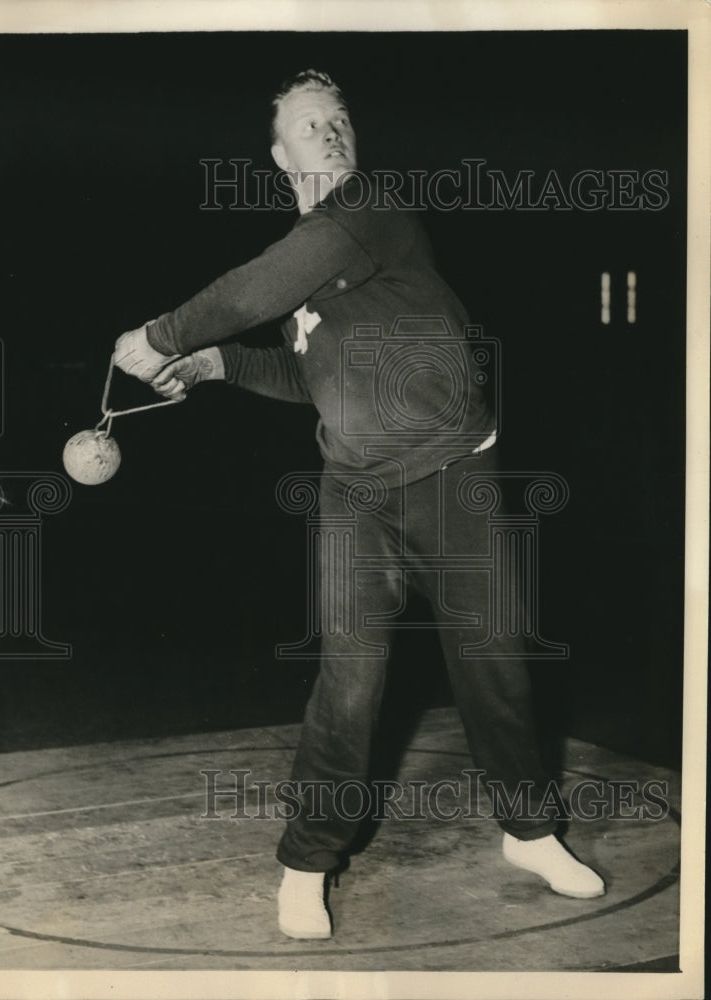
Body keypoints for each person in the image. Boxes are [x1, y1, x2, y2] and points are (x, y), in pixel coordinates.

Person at [114, 69, 605, 940]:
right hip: (357, 495)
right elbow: (308, 376)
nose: (329, 133)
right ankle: (306, 864)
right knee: (349, 682)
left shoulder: (366, 211)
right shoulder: (315, 265)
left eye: (338, 120)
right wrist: (221, 366)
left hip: (454, 477)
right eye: (309, 124)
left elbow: (245, 294)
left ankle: (529, 833)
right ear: (280, 154)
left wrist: (160, 338)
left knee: (495, 668)